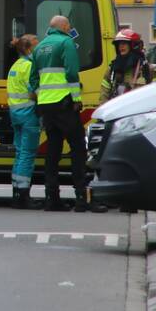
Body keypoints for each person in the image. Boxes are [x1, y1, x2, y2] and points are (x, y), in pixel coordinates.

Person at [30, 16, 107, 213]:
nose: (70, 27)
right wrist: (76, 98)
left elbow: (33, 79)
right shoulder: (66, 42)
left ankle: (52, 199)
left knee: (53, 151)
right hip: (64, 102)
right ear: (63, 26)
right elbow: (72, 72)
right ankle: (81, 198)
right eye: (69, 25)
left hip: (46, 105)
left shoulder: (40, 47)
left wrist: (41, 95)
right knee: (78, 148)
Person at [7, 34, 40, 209]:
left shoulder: (16, 65)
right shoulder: (29, 66)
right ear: (28, 49)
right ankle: (23, 195)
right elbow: (34, 91)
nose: (38, 49)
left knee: (20, 153)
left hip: (16, 113)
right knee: (27, 154)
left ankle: (16, 193)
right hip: (29, 114)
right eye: (36, 46)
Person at [101, 29, 151, 100]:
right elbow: (104, 91)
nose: (120, 46)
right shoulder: (113, 68)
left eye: (124, 43)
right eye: (119, 44)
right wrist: (104, 105)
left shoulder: (144, 67)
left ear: (133, 46)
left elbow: (155, 91)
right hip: (118, 104)